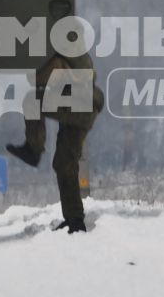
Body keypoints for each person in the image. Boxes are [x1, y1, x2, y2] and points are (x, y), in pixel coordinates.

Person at [6, 50, 104, 233]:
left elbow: (43, 79)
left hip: (81, 101)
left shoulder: (54, 51)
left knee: (32, 100)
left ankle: (33, 149)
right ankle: (75, 220)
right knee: (64, 162)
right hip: (87, 105)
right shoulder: (69, 49)